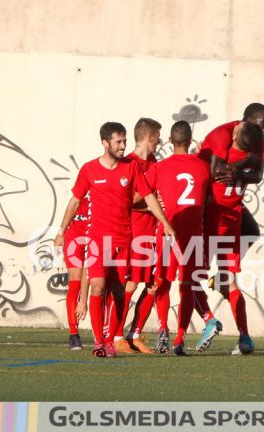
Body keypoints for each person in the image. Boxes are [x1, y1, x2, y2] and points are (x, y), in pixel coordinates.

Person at [55, 122, 175, 358]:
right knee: (98, 285)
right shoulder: (89, 169)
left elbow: (149, 196)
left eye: (124, 141)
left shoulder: (130, 168)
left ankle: (111, 339)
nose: (123, 146)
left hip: (124, 240)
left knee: (119, 292)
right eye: (118, 142)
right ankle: (99, 342)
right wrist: (62, 229)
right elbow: (75, 201)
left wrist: (165, 222)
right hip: (99, 240)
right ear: (105, 143)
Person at [197, 105, 264, 355]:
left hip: (220, 215)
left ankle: (205, 322)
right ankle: (244, 335)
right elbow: (217, 171)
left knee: (190, 277)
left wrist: (237, 168)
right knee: (227, 279)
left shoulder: (252, 138)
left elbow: (254, 173)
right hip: (222, 214)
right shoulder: (221, 135)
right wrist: (244, 165)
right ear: (244, 124)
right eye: (262, 125)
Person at [137, 120, 212, 356]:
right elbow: (209, 199)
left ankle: (163, 330)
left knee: (161, 281)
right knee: (187, 286)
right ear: (190, 141)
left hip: (168, 233)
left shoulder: (159, 167)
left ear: (170, 141)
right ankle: (180, 339)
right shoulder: (203, 167)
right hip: (193, 235)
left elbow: (140, 195)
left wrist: (151, 207)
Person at [108, 118, 162, 354]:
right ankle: (116, 336)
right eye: (158, 137)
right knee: (128, 283)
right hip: (134, 232)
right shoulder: (128, 163)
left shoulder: (154, 162)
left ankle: (135, 334)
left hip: (153, 233)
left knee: (153, 283)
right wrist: (151, 204)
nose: (160, 142)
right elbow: (124, 201)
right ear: (150, 138)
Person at [62, 196, 90, 350]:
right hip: (75, 233)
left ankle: (107, 334)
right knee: (76, 281)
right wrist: (61, 232)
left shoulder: (107, 196)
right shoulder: (80, 198)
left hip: (97, 235)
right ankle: (74, 334)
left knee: (98, 281)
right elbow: (72, 204)